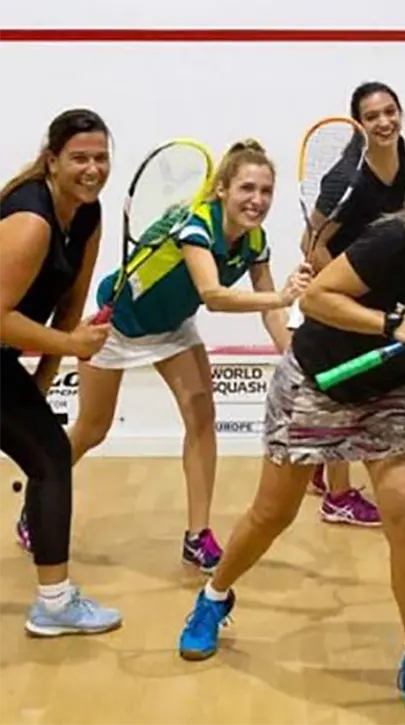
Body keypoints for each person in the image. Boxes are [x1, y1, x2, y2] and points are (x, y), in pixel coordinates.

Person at [176, 138, 405, 718]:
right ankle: (214, 596)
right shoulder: (391, 240)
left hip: (393, 391)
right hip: (316, 377)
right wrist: (393, 324)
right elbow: (322, 300)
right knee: (271, 514)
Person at [14, 139, 313, 574]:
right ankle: (38, 501)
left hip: (172, 327)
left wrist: (293, 358)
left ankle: (197, 536)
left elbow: (271, 308)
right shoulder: (196, 225)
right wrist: (280, 293)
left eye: (266, 191)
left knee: (201, 417)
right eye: (247, 188)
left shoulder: (254, 240)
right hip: (116, 325)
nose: (258, 200)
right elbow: (213, 294)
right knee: (93, 428)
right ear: (222, 189)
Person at [0, 108, 124, 636]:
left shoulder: (88, 215)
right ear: (52, 161)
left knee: (49, 454)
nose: (92, 168)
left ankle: (53, 602)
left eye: (100, 157)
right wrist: (72, 345)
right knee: (51, 457)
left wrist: (45, 379)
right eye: (79, 158)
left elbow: (67, 311)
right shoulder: (30, 221)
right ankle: (53, 604)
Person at [292, 80, 405, 527]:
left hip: (372, 290)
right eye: (372, 116)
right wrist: (341, 291)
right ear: (358, 125)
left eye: (390, 112)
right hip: (340, 291)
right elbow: (311, 240)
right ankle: (338, 497)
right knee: (344, 393)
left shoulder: (402, 158)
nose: (384, 122)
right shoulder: (346, 176)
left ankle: (323, 471)